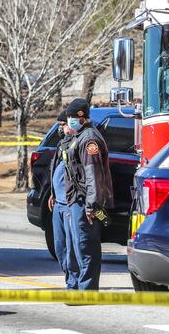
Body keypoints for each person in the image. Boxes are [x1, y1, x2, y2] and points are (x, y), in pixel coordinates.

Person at [63, 98, 114, 290]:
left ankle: (88, 289)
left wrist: (92, 205)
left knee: (86, 245)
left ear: (82, 118)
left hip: (85, 200)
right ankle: (78, 287)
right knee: (77, 244)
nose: (69, 121)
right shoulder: (79, 137)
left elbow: (92, 174)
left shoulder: (89, 139)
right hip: (77, 200)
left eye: (71, 117)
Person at [47, 110, 77, 289]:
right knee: (59, 246)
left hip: (70, 203)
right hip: (57, 202)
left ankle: (73, 282)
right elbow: (56, 171)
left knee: (71, 246)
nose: (60, 129)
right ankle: (68, 275)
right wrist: (52, 192)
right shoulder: (62, 144)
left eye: (62, 125)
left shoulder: (78, 143)